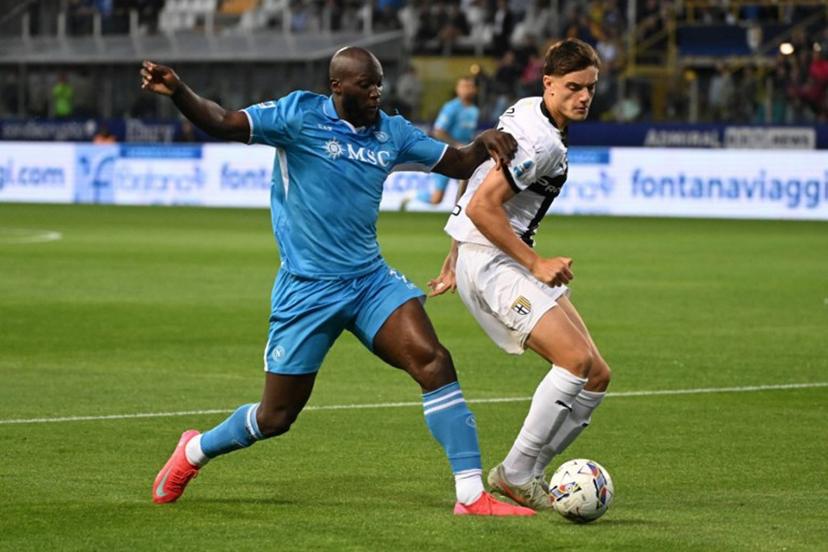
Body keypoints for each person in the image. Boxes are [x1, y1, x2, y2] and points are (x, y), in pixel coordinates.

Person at [140, 47, 534, 517]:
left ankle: (470, 495)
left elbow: (459, 162)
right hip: (307, 289)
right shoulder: (297, 116)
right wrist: (178, 91)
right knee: (275, 416)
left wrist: (483, 142)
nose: (376, 93)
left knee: (434, 361)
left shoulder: (392, 132)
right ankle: (194, 450)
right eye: (366, 85)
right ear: (338, 87)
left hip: (369, 282)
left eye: (379, 84)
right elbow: (223, 121)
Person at [428, 38, 612, 511]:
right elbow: (483, 205)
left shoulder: (528, 111)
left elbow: (478, 176)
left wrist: (453, 251)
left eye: (590, 88)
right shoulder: (540, 141)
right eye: (573, 87)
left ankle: (526, 472)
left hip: (492, 252)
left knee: (596, 375)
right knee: (574, 360)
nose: (584, 97)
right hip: (494, 261)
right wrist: (534, 263)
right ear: (548, 83)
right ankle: (516, 473)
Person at [406, 77, 479, 209]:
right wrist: (456, 144)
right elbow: (438, 131)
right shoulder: (451, 108)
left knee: (467, 191)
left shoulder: (474, 110)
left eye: (469, 86)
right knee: (437, 199)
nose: (466, 89)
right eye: (463, 86)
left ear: (475, 89)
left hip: (464, 156)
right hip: (447, 155)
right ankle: (412, 195)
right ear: (457, 89)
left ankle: (459, 215)